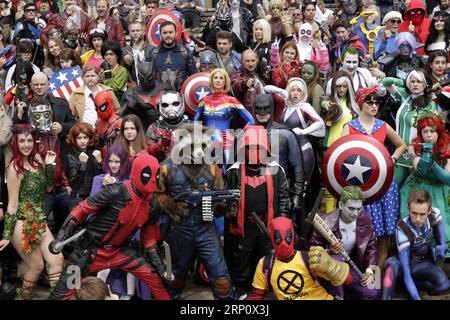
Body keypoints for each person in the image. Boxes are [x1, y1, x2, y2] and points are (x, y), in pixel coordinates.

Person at [48, 152, 172, 300]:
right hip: (90, 252)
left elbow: (149, 241)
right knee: (62, 293)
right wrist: (62, 236)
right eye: (148, 174)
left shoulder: (153, 205)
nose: (153, 179)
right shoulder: (116, 191)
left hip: (120, 251)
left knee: (158, 281)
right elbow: (81, 209)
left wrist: (161, 268)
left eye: (156, 174)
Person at [156, 123, 235, 300]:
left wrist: (225, 206)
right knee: (175, 279)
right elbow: (156, 195)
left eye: (202, 146)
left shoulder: (212, 168)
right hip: (179, 229)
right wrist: (173, 207)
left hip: (206, 228)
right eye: (193, 146)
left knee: (221, 278)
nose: (198, 151)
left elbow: (220, 200)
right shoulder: (167, 167)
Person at [341, 86, 407, 270]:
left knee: (385, 233)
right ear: (361, 103)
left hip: (385, 184)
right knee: (363, 232)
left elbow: (401, 145)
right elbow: (339, 157)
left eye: (377, 102)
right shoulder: (350, 127)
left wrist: (392, 159)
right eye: (369, 102)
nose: (374, 105)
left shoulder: (383, 125)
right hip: (360, 188)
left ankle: (376, 281)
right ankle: (361, 277)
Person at [225, 125, 290, 295]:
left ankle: (264, 291)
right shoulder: (234, 171)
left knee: (266, 260)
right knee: (241, 260)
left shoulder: (276, 170)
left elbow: (283, 197)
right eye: (250, 148)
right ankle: (240, 291)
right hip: (243, 226)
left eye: (258, 147)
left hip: (267, 225)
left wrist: (281, 222)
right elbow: (226, 199)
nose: (254, 152)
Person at [0, 125, 64, 299]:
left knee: (57, 260)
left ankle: (57, 297)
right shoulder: (14, 168)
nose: (26, 144)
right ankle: (25, 296)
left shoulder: (37, 160)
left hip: (39, 219)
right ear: (16, 143)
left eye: (29, 140)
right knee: (36, 267)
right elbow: (12, 205)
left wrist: (50, 166)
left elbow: (49, 187)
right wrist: (6, 234)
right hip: (22, 221)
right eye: (22, 141)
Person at [247, 216, 352, 300]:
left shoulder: (309, 258)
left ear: (293, 237)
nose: (283, 244)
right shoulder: (265, 264)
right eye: (278, 239)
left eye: (287, 238)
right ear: (272, 239)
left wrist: (332, 267)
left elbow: (348, 281)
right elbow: (256, 295)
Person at [309, 186, 380, 300]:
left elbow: (372, 248)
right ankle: (337, 295)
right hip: (329, 270)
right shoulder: (326, 221)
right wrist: (329, 251)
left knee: (373, 292)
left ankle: (343, 294)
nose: (355, 213)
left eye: (359, 209)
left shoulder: (365, 220)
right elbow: (311, 251)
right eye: (351, 208)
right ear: (341, 205)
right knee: (337, 259)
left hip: (352, 268)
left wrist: (370, 270)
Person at [252, 94, 305, 243]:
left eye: (266, 109)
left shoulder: (286, 134)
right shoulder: (245, 133)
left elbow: (297, 167)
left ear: (272, 108)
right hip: (255, 194)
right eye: (258, 109)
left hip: (281, 195)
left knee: (283, 236)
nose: (262, 113)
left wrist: (296, 195)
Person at [382, 189, 450, 300]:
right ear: (408, 209)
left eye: (422, 214)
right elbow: (407, 273)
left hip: (420, 262)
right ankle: (386, 297)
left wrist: (440, 248)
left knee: (443, 284)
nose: (418, 219)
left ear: (429, 211)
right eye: (414, 213)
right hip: (401, 263)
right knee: (392, 266)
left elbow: (441, 244)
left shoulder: (434, 215)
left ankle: (408, 286)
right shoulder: (402, 229)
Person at [380, 70, 440, 188]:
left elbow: (432, 131)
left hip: (417, 154)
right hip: (400, 151)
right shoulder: (405, 95)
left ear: (425, 84)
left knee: (414, 190)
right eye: (412, 81)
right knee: (393, 187)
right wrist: (403, 82)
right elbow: (386, 82)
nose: (415, 84)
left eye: (419, 81)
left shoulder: (430, 104)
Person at [399, 112, 450, 246]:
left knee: (440, 226)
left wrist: (432, 163)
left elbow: (448, 178)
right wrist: (426, 155)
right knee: (414, 224)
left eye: (432, 131)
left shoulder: (447, 147)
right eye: (424, 131)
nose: (428, 135)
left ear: (438, 131)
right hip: (416, 187)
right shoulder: (413, 146)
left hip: (439, 189)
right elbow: (419, 169)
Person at [195, 68, 254, 166]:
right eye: (216, 77)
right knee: (206, 173)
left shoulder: (231, 100)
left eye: (221, 78)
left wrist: (237, 137)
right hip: (207, 141)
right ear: (211, 80)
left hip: (226, 142)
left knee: (227, 173)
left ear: (225, 81)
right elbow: (196, 120)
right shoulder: (204, 100)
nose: (218, 80)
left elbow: (250, 120)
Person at [321, 70, 359, 212]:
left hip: (347, 149)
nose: (342, 89)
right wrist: (326, 106)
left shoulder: (353, 106)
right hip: (330, 147)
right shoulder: (330, 102)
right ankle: (329, 217)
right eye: (339, 86)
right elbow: (324, 104)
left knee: (345, 184)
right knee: (329, 184)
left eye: (344, 86)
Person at [145, 21, 198, 91]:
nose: (168, 35)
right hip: (158, 97)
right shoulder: (152, 53)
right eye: (165, 33)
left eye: (170, 32)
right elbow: (147, 79)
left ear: (176, 33)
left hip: (181, 96)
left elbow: (194, 77)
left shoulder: (185, 52)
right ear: (160, 34)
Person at [120, 62, 172, 130]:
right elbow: (121, 119)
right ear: (139, 78)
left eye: (149, 79)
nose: (146, 82)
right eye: (143, 80)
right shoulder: (130, 94)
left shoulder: (165, 88)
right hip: (143, 130)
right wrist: (127, 109)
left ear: (154, 75)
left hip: (166, 127)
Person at [63, 123, 103, 210]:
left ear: (90, 138)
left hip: (94, 196)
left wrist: (100, 162)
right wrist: (82, 164)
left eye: (85, 137)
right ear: (74, 139)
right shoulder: (70, 155)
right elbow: (73, 183)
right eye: (79, 138)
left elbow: (100, 177)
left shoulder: (94, 153)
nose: (82, 141)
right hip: (77, 198)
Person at [146, 91, 191, 162]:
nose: (171, 108)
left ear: (182, 104)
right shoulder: (154, 127)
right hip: (162, 167)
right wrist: (161, 145)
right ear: (160, 105)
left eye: (175, 104)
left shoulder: (192, 126)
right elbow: (149, 153)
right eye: (165, 105)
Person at [122, 22, 150, 87]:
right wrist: (126, 64)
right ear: (130, 33)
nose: (135, 33)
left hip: (150, 87)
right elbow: (123, 71)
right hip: (133, 87)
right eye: (133, 31)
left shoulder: (151, 50)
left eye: (138, 30)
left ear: (143, 32)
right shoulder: (124, 51)